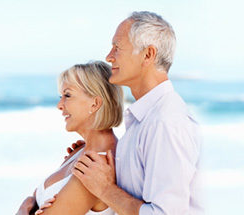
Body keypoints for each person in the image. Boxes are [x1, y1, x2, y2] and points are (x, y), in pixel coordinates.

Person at [69, 11, 203, 215]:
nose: (109, 56)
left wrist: (104, 189)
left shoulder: (164, 122)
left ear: (148, 55)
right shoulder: (145, 119)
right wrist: (96, 147)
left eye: (117, 48)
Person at [16, 61, 123, 215]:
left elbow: (31, 203)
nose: (59, 105)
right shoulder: (81, 151)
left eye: (68, 95)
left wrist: (22, 210)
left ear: (95, 103)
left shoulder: (95, 167)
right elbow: (34, 199)